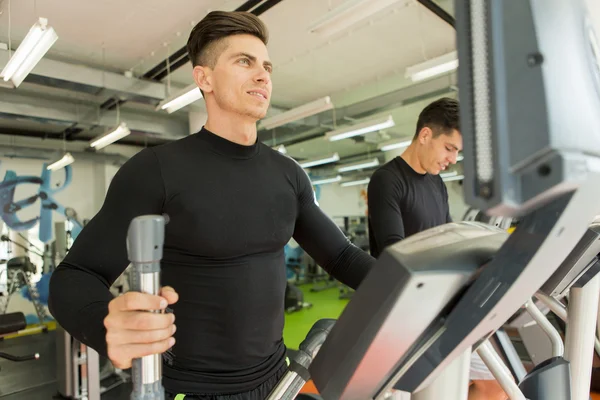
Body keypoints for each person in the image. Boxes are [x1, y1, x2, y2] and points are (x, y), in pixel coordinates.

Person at [48, 11, 376, 400]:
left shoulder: (288, 174)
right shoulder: (157, 171)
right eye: (244, 62)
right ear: (204, 78)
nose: (262, 75)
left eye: (266, 66)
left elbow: (340, 255)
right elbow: (74, 275)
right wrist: (104, 324)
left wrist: (416, 288)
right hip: (191, 390)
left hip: (278, 380)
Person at [367, 97, 508, 400]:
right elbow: (395, 255)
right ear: (426, 135)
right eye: (450, 148)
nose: (453, 159)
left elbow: (449, 238)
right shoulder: (387, 181)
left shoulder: (437, 184)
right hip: (401, 313)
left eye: (458, 152)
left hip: (440, 305)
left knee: (494, 384)